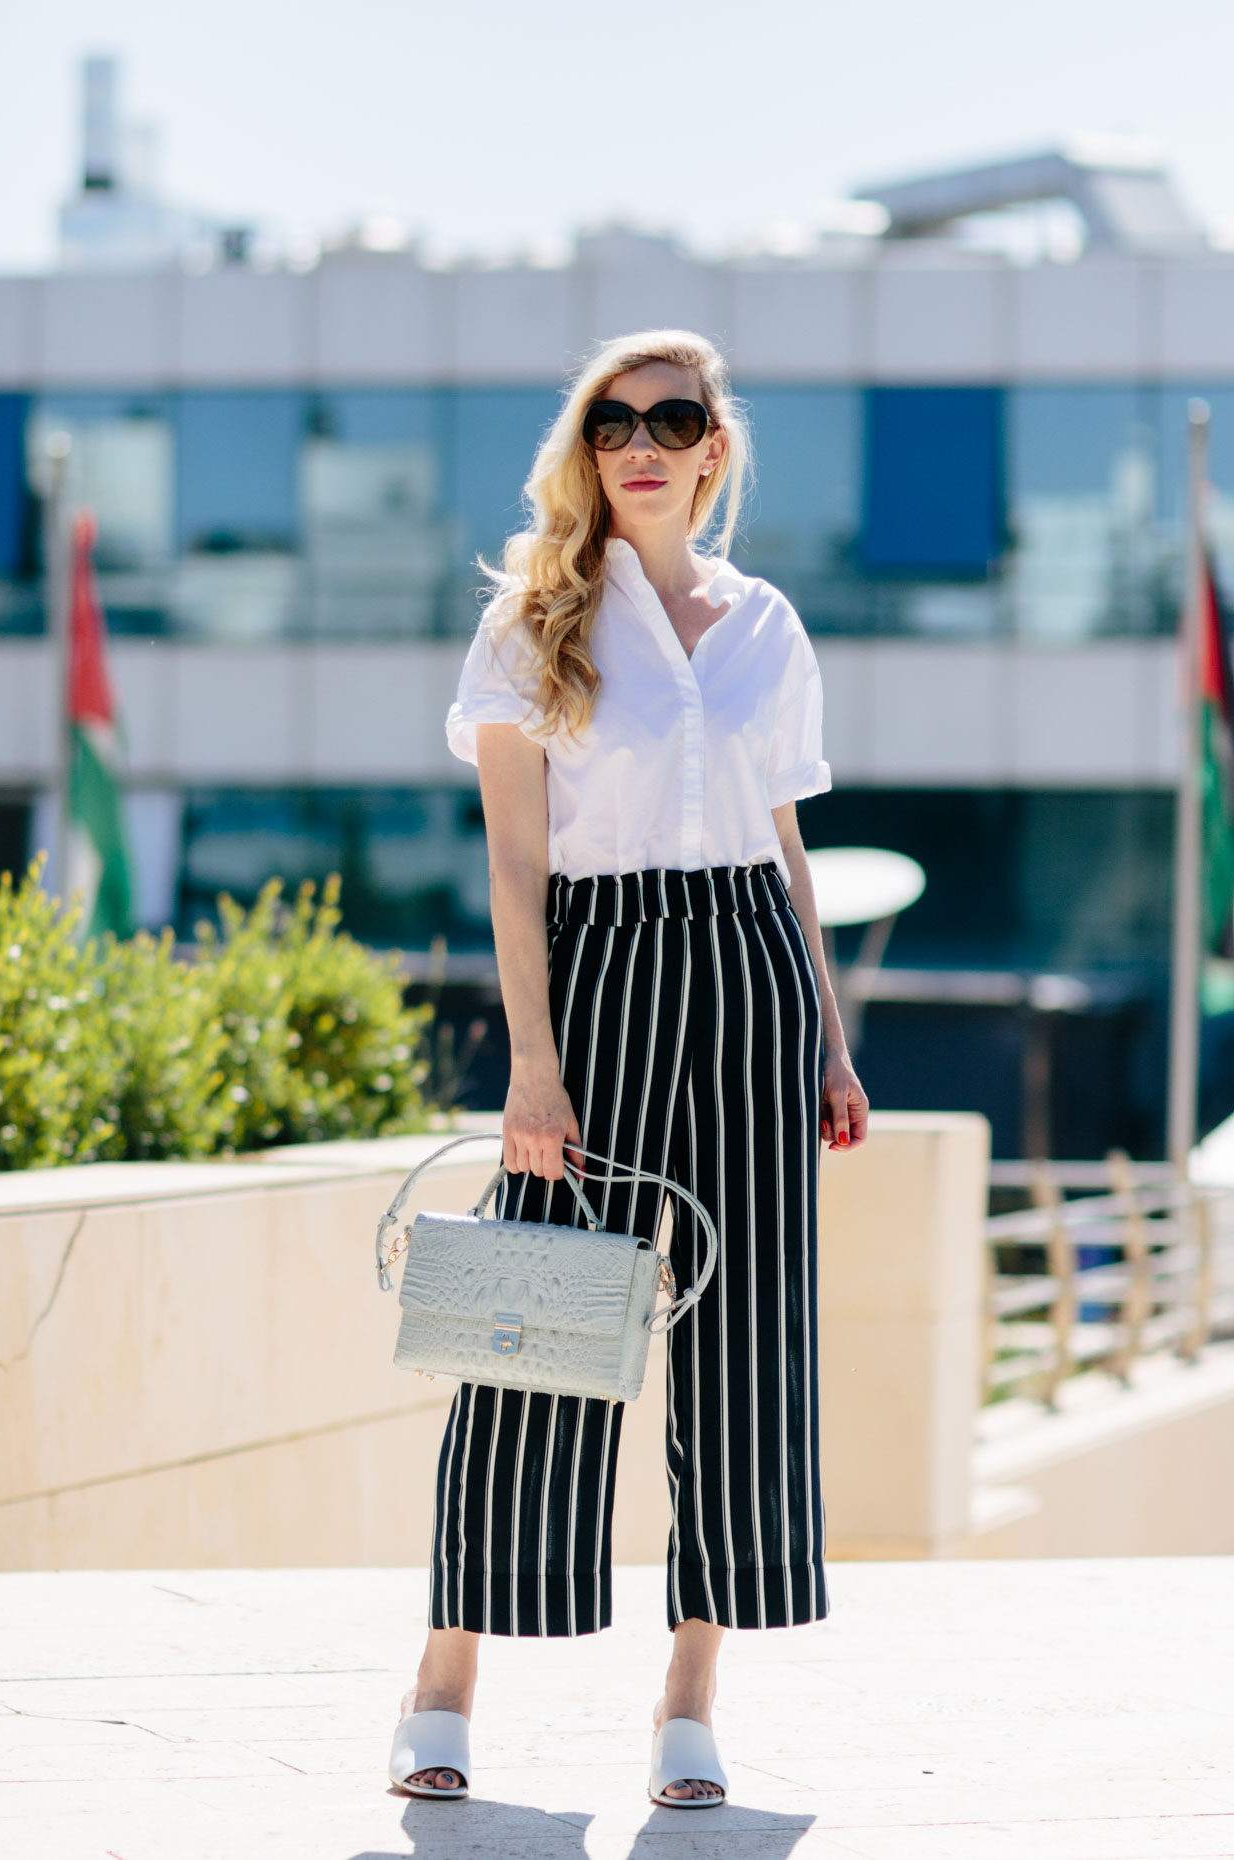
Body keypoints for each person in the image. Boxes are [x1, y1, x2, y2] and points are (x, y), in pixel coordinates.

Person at [389, 327, 869, 1809]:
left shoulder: (768, 623)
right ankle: (445, 1679)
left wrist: (832, 1037)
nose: (642, 443)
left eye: (674, 418)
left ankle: (689, 1699)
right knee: (533, 1331)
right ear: (586, 450)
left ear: (716, 448)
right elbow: (517, 864)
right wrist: (534, 1061)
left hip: (747, 972)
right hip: (595, 973)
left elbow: (785, 839)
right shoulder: (536, 617)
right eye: (613, 422)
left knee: (746, 1350)